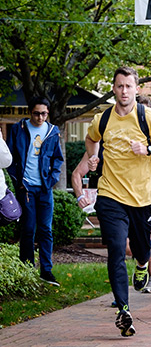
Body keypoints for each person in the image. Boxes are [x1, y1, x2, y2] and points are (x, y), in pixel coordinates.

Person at [85, 67, 151, 337]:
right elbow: (91, 138)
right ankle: (123, 309)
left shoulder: (147, 117)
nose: (124, 91)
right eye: (119, 86)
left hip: (143, 197)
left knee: (142, 248)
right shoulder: (102, 119)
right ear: (114, 89)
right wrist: (93, 157)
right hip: (110, 194)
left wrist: (150, 149)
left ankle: (142, 265)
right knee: (116, 248)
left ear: (136, 89)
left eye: (129, 86)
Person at [7, 96, 64, 287]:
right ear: (30, 112)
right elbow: (10, 158)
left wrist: (52, 179)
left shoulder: (52, 131)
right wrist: (18, 181)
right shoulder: (18, 129)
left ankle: (46, 271)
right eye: (37, 113)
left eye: (44, 114)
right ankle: (27, 270)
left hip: (45, 188)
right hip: (27, 189)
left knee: (46, 229)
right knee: (29, 229)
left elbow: (58, 159)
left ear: (48, 113)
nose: (40, 117)